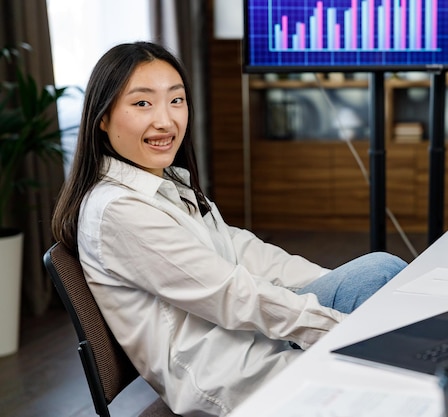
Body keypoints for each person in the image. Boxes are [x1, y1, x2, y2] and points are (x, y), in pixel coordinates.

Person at [51, 41, 407, 416]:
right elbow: (231, 294)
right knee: (395, 370)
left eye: (176, 100)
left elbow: (244, 250)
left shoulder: (165, 181)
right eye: (142, 103)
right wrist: (341, 327)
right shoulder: (119, 211)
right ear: (102, 118)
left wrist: (335, 286)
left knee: (378, 272)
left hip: (248, 336)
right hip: (229, 373)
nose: (165, 120)